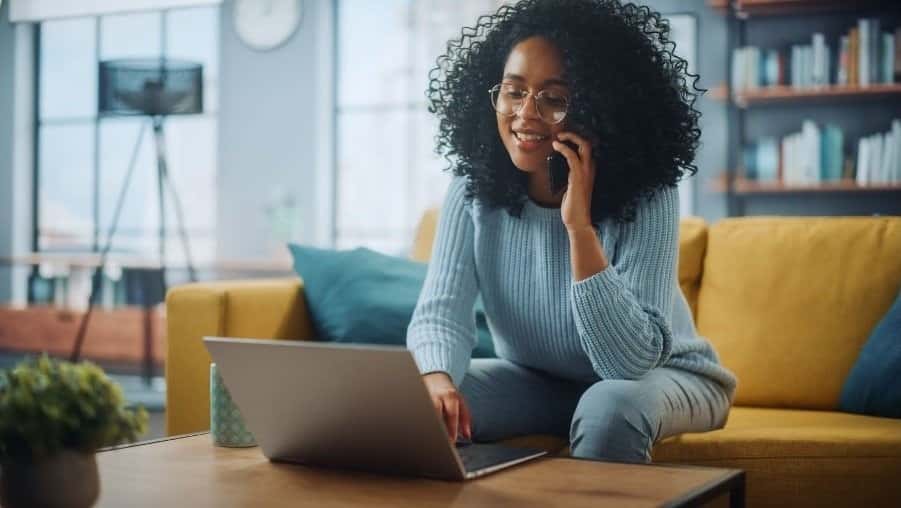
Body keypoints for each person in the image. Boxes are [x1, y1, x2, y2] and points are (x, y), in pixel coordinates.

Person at [406, 0, 737, 464]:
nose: (525, 114)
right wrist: (437, 377)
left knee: (607, 405)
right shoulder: (472, 187)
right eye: (513, 91)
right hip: (539, 381)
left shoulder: (649, 192)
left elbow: (628, 364)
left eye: (554, 98)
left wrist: (579, 229)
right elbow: (441, 312)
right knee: (417, 404)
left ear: (597, 107)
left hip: (662, 378)